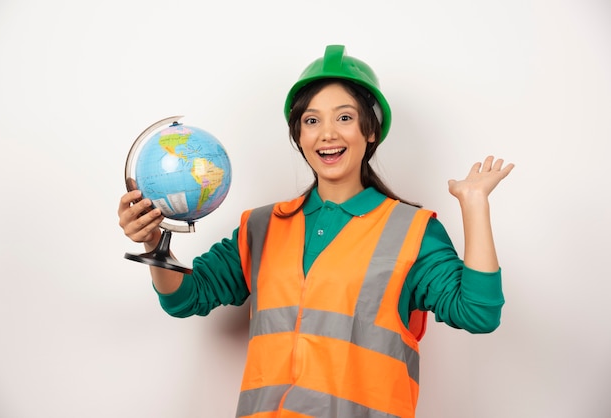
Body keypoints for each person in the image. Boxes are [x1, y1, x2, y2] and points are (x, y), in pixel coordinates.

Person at [118, 44, 514, 418]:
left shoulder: (411, 231)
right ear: (300, 137)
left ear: (370, 131)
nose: (327, 133)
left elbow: (478, 313)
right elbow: (185, 298)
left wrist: (474, 205)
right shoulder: (260, 226)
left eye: (344, 117)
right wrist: (155, 243)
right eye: (312, 121)